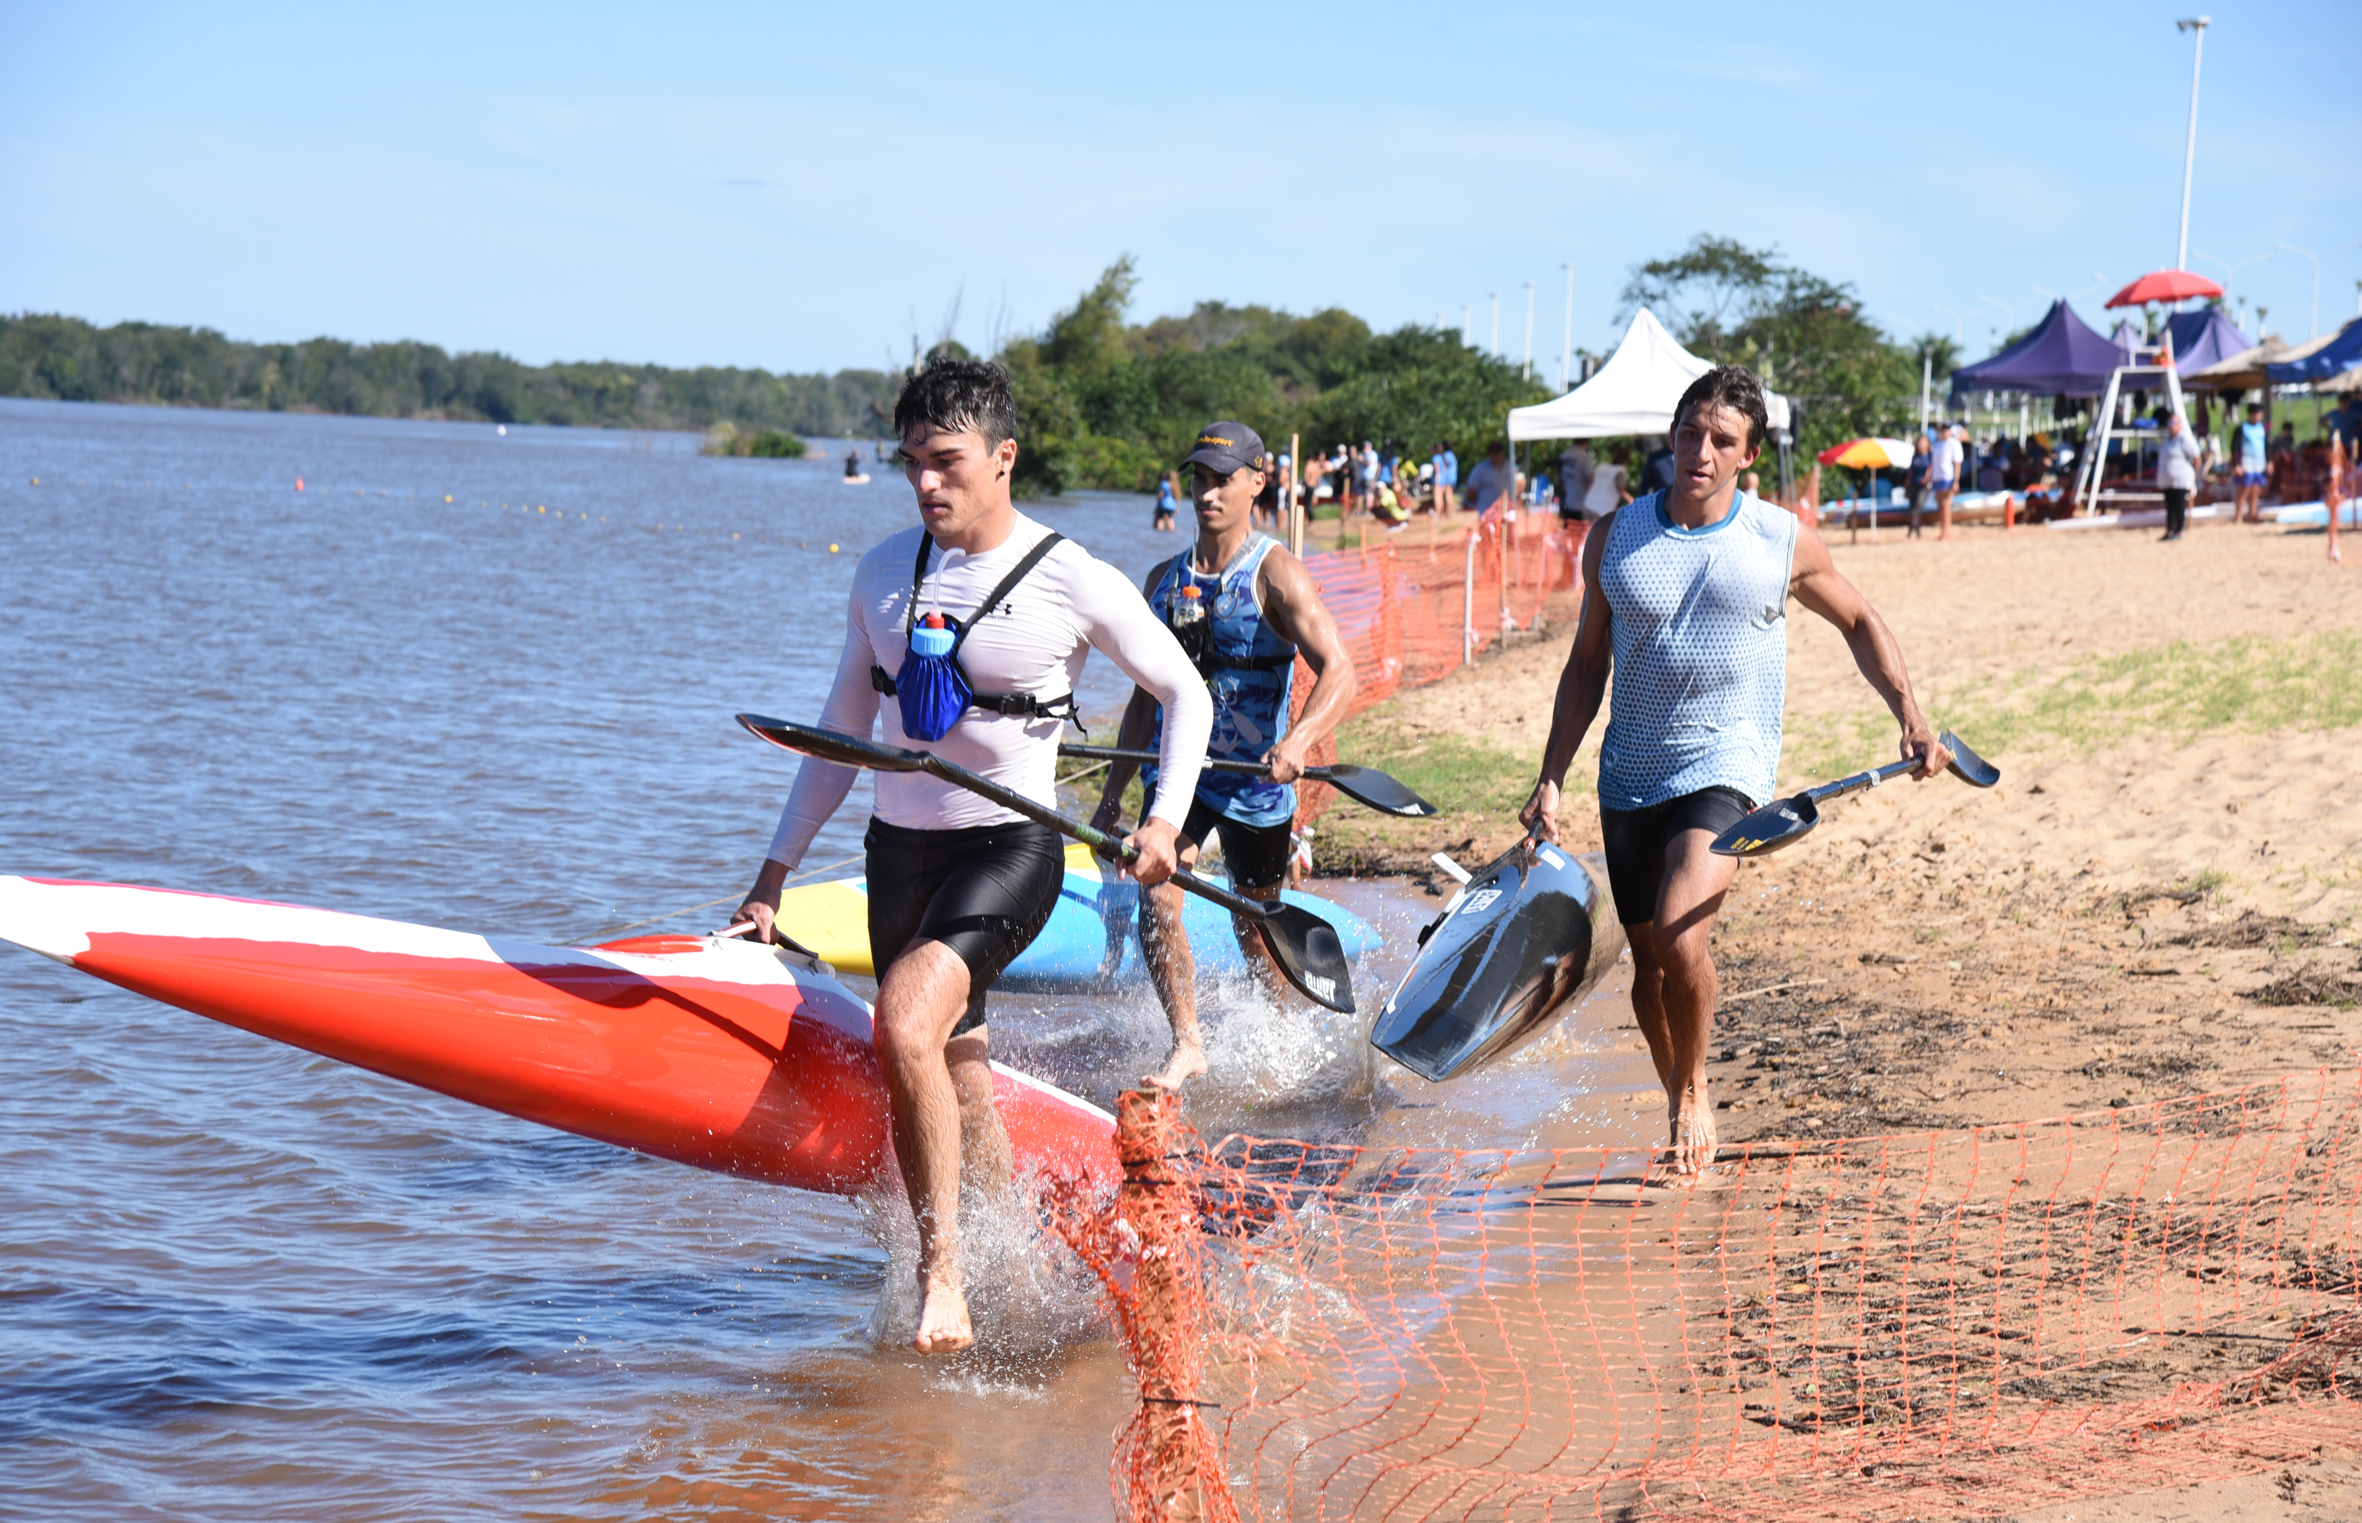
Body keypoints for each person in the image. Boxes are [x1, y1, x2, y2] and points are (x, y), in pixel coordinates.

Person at [731, 360, 1211, 1352]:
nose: (925, 483)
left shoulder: (1074, 575)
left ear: (1003, 457)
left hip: (1009, 846)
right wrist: (773, 872)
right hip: (897, 849)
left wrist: (1163, 820)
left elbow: (1183, 693)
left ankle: (939, 1270)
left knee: (903, 1016)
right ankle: (1015, 1275)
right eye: (911, 463)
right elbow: (839, 731)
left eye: (945, 461)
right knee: (955, 1068)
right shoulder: (879, 573)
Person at [1520, 365, 1949, 1177]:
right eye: (1690, 432)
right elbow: (1584, 667)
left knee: (1683, 938)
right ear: (1672, 435)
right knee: (1649, 972)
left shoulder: (1779, 541)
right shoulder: (1615, 538)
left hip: (1727, 763)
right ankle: (1681, 1081)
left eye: (1722, 440)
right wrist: (1553, 773)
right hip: (1629, 774)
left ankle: (1692, 1093)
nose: (1701, 451)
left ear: (1748, 455)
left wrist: (1911, 715)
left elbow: (1860, 618)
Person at [1091, 421, 1358, 1091]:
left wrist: (1297, 740)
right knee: (1160, 896)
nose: (1207, 492)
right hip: (1181, 780)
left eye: (1223, 478)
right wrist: (1110, 793)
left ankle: (1277, 1031)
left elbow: (1340, 670)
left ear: (1257, 483)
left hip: (1255, 788)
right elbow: (1142, 702)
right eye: (1200, 478)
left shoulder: (1276, 573)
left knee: (1255, 925)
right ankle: (1187, 1043)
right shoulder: (1162, 580)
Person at [2158, 412, 2202, 541]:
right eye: (2170, 423)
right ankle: (2170, 530)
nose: (2172, 426)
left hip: (2181, 479)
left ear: (2180, 425)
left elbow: (2196, 456)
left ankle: (2179, 530)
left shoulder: (2185, 439)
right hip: (2167, 479)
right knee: (2169, 505)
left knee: (2179, 505)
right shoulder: (2166, 440)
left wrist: (2194, 473)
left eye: (2175, 423)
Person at [1929, 423, 1964, 540]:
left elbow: (1957, 464)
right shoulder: (1937, 445)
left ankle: (1946, 531)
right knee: (1940, 506)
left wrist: (1956, 481)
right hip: (1937, 478)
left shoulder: (1954, 444)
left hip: (1948, 478)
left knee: (1946, 505)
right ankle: (1943, 530)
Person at [2235, 402, 2269, 524]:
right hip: (2246, 463)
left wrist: (2269, 461)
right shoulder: (2242, 428)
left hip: (2259, 463)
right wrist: (2236, 464)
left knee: (2256, 490)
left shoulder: (2262, 428)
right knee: (2244, 490)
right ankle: (2238, 516)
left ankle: (2252, 515)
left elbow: (2266, 446)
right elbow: (2235, 447)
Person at [1464, 440, 1517, 516]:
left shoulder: (1510, 467)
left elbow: (1519, 484)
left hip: (1506, 511)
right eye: (1492, 454)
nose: (1494, 457)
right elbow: (1471, 490)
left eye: (1496, 454)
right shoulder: (1481, 469)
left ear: (1502, 453)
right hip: (1486, 512)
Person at [1558, 441, 1597, 523]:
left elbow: (1560, 478)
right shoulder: (1585, 457)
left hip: (1566, 501)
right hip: (1581, 504)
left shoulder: (1564, 455)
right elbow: (1589, 480)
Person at [1904, 432, 1931, 538]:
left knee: (1917, 507)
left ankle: (1912, 529)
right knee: (1912, 508)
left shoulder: (1930, 456)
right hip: (1913, 484)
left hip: (1923, 486)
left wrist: (1927, 479)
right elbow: (1910, 472)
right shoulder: (1915, 457)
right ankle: (1916, 529)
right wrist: (1906, 485)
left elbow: (1931, 469)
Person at [1638, 433, 1678, 497]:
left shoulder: (1689, 456)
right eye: (1671, 437)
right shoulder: (1656, 458)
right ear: (1667, 439)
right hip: (1662, 500)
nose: (1674, 440)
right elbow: (1645, 484)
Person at [1433, 441, 1460, 514]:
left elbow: (1444, 466)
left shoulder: (1447, 455)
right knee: (1450, 494)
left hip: (1448, 477)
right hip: (1454, 476)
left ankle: (1446, 512)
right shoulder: (1452, 454)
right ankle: (1449, 511)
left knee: (1446, 495)